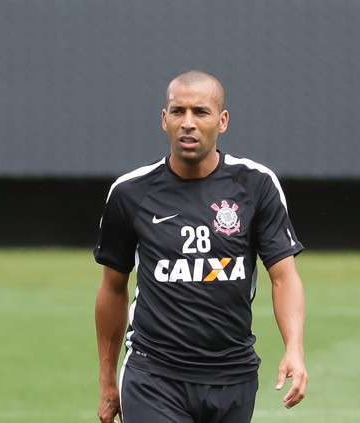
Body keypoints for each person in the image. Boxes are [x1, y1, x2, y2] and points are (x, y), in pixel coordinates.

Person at [94, 70, 308, 423]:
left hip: (233, 376)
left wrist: (294, 349)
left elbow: (284, 277)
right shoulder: (130, 192)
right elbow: (112, 288)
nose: (188, 123)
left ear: (222, 121)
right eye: (178, 112)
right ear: (164, 120)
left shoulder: (256, 185)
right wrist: (106, 379)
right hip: (153, 375)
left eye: (201, 112)